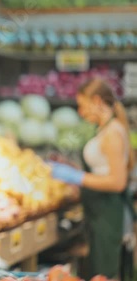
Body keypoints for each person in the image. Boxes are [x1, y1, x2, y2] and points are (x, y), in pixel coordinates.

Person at [50, 78, 135, 279]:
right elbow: (102, 170)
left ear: (96, 101)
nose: (80, 112)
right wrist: (73, 171)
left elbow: (117, 182)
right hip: (99, 213)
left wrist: (77, 177)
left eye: (82, 105)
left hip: (108, 215)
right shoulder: (104, 129)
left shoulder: (113, 132)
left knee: (106, 273)